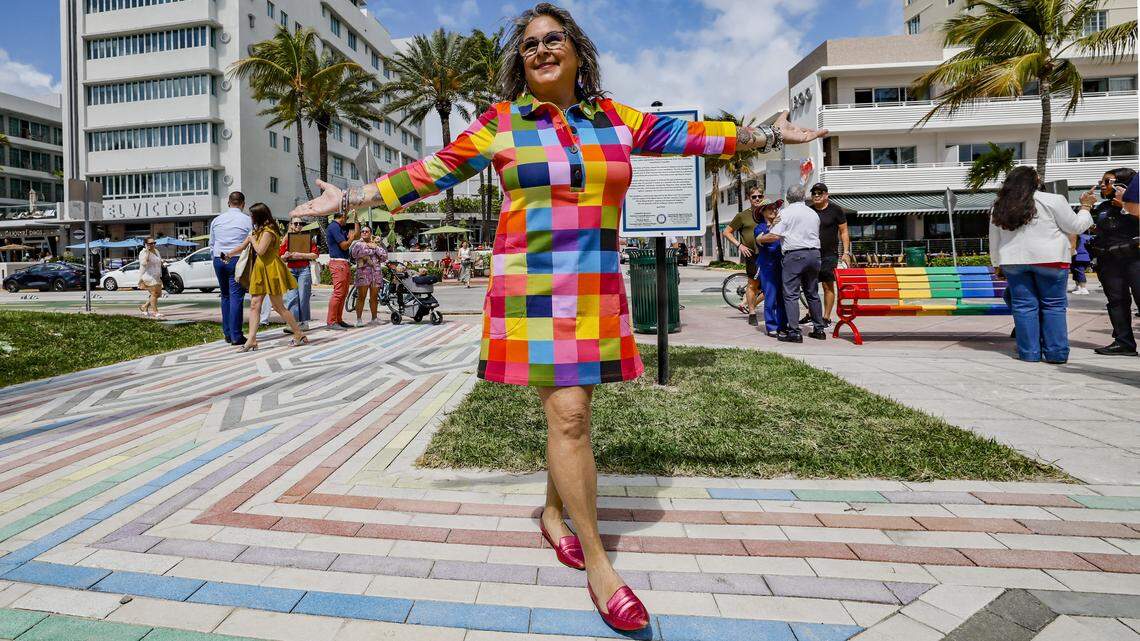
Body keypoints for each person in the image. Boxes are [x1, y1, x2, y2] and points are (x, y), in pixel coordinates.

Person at [287, 2, 824, 630]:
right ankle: (601, 565)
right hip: (531, 289)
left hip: (595, 285)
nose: (540, 49)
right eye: (529, 43)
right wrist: (349, 196)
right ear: (522, 61)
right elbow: (427, 174)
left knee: (572, 417)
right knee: (569, 415)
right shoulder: (501, 124)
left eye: (553, 38)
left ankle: (551, 513)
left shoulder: (615, 119)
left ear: (576, 50)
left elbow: (692, 137)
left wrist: (764, 134)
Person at [989, 166, 1093, 364]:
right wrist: (1085, 208)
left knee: (1023, 307)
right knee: (1053, 306)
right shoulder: (1053, 200)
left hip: (1013, 260)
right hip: (1051, 259)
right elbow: (1076, 226)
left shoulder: (1000, 204)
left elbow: (994, 237)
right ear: (1036, 181)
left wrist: (997, 264)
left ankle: (1029, 353)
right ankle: (1056, 353)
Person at [224, 204, 308, 351]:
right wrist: (229, 254)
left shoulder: (269, 231)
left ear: (259, 216)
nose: (250, 218)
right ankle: (251, 340)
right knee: (255, 305)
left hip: (271, 269)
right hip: (260, 270)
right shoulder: (258, 231)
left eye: (252, 215)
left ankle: (298, 333)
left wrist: (251, 239)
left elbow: (260, 251)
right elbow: (244, 246)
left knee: (278, 306)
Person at [757, 185, 826, 342]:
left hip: (795, 256)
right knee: (812, 292)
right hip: (814, 255)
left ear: (788, 198)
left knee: (791, 294)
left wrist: (759, 239)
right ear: (803, 197)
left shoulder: (786, 213)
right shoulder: (813, 213)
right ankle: (819, 329)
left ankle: (794, 332)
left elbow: (774, 236)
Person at [1087, 167, 1139, 356]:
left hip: (1135, 260)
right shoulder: (1103, 208)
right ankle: (1123, 342)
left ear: (1123, 185)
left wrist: (1126, 206)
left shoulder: (1136, 206)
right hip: (1109, 261)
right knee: (1116, 301)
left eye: (1107, 181)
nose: (1102, 184)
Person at [209, 192, 252, 345]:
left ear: (228, 203)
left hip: (219, 259)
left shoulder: (217, 220)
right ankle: (236, 335)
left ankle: (227, 333)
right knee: (236, 297)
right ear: (243, 204)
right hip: (236, 259)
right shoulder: (247, 220)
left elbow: (212, 244)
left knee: (225, 295)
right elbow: (250, 242)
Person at [807, 182, 851, 326]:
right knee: (810, 286)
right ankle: (812, 314)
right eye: (814, 193)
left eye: (820, 193)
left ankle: (826, 317)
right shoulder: (809, 211)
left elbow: (844, 232)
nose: (817, 195)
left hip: (829, 254)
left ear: (827, 195)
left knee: (827, 286)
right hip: (811, 254)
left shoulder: (836, 210)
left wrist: (846, 252)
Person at [723, 185, 767, 325]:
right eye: (754, 197)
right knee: (753, 285)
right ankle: (752, 313)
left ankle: (748, 305)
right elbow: (726, 232)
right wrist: (739, 245)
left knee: (769, 286)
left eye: (760, 196)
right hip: (752, 255)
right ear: (749, 198)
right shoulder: (742, 216)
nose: (757, 199)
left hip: (767, 254)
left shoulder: (767, 213)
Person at [752, 199, 788, 336]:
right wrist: (773, 226)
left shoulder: (782, 225)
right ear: (762, 212)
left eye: (775, 208)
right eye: (770, 208)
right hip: (768, 266)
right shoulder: (760, 227)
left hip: (782, 264)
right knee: (771, 297)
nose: (774, 210)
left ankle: (783, 325)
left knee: (783, 297)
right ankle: (771, 326)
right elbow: (761, 239)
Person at [282, 219, 318, 334]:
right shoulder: (286, 239)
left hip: (304, 269)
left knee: (303, 297)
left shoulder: (307, 238)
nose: (298, 225)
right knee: (292, 297)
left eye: (301, 223)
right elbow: (280, 256)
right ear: (291, 225)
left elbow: (315, 254)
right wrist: (285, 256)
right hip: (290, 269)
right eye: (295, 223)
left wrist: (300, 255)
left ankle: (304, 322)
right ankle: (294, 323)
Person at [325, 211, 358, 331]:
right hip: (338, 263)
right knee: (339, 293)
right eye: (347, 218)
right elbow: (344, 245)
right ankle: (331, 321)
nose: (347, 220)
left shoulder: (339, 227)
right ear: (342, 217)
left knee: (343, 293)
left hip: (343, 262)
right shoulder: (334, 227)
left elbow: (357, 235)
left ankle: (338, 319)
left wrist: (356, 220)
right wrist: (351, 239)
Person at [350, 226, 387, 326]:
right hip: (363, 274)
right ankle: (359, 319)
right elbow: (354, 255)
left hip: (376, 274)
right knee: (361, 296)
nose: (364, 233)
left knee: (374, 297)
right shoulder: (357, 244)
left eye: (367, 231)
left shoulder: (377, 244)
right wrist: (370, 250)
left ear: (370, 233)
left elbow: (384, 257)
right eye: (363, 231)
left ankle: (374, 318)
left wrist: (375, 248)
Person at [136, 237, 164, 319]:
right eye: (150, 243)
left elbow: (159, 261)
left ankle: (144, 306)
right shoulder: (143, 252)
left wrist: (163, 263)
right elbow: (144, 263)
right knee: (154, 294)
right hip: (148, 276)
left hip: (157, 276)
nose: (153, 245)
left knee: (158, 294)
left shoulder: (156, 251)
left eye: (154, 243)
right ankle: (155, 312)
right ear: (146, 244)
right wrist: (148, 252)